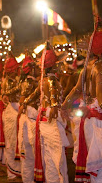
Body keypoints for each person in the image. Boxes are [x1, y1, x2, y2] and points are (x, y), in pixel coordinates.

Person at [61, 17, 102, 183]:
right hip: (99, 122)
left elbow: (76, 90)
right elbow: (101, 96)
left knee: (100, 167)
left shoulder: (88, 67)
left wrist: (65, 105)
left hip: (89, 121)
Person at [22, 43, 69, 183]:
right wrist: (55, 106)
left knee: (49, 158)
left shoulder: (42, 81)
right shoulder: (52, 79)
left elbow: (34, 95)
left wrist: (24, 103)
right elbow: (54, 93)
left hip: (43, 122)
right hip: (51, 120)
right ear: (54, 65)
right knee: (58, 158)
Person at [16, 54, 39, 183]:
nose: (38, 69)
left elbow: (21, 99)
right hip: (31, 120)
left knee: (26, 156)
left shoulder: (22, 82)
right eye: (35, 67)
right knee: (33, 155)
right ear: (31, 69)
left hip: (25, 118)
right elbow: (23, 99)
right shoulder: (32, 83)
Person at [1, 53, 22, 181]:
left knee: (15, 142)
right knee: (11, 142)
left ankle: (15, 170)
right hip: (11, 112)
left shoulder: (13, 80)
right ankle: (12, 173)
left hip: (14, 112)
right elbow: (8, 95)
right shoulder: (8, 81)